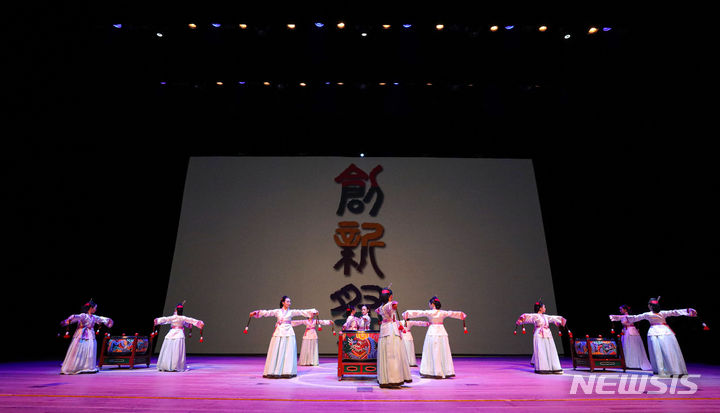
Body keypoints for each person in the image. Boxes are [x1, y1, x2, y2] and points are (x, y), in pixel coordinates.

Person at [610, 297, 697, 376]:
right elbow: (675, 312)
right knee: (667, 350)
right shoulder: (662, 313)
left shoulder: (649, 314)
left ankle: (662, 370)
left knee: (658, 352)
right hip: (665, 332)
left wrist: (615, 317)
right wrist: (688, 311)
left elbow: (634, 317)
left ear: (650, 306)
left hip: (655, 333)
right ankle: (670, 370)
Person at [250, 296, 318, 378]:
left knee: (288, 351)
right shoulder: (277, 311)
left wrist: (313, 311)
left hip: (288, 332)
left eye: (290, 302)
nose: (289, 303)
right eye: (287, 301)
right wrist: (256, 312)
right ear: (283, 302)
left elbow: (301, 312)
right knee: (277, 350)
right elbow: (268, 312)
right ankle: (274, 371)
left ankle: (287, 371)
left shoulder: (291, 312)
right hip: (279, 331)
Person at [403, 296, 466, 378]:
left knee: (433, 350)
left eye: (429, 303)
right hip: (441, 332)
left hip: (432, 332)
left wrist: (406, 313)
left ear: (432, 304)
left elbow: (419, 312)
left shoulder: (430, 313)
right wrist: (461, 315)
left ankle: (433, 371)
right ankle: (445, 371)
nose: (429, 305)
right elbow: (452, 313)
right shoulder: (443, 312)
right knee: (442, 350)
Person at [60, 299, 113, 374]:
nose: (96, 309)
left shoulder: (93, 317)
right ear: (91, 308)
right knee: (79, 350)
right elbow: (77, 317)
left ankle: (88, 367)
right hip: (81, 335)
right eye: (95, 308)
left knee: (90, 350)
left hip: (91, 335)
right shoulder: (83, 315)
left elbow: (101, 318)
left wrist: (109, 321)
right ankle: (75, 367)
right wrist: (72, 317)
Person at [516, 299, 566, 374]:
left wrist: (561, 320)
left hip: (548, 334)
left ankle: (554, 367)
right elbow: (527, 316)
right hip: (539, 334)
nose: (545, 308)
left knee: (550, 350)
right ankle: (542, 368)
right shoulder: (535, 316)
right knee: (541, 351)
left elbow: (553, 318)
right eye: (544, 307)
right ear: (540, 308)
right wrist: (521, 319)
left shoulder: (546, 316)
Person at [375, 287, 412, 388]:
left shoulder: (380, 307)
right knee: (393, 354)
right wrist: (393, 303)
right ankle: (393, 379)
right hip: (391, 330)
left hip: (385, 329)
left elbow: (380, 311)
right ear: (390, 296)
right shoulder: (388, 305)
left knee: (385, 353)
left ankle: (385, 379)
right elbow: (392, 306)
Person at [154, 301, 205, 372]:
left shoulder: (172, 317)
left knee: (168, 350)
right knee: (177, 351)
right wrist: (199, 323)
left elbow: (165, 319)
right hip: (179, 334)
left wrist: (157, 320)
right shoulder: (183, 318)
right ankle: (176, 366)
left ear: (176, 310)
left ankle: (167, 365)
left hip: (171, 334)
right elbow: (191, 320)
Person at [609, 304, 652, 370]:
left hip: (630, 331)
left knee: (631, 346)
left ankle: (633, 363)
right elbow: (619, 317)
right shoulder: (624, 316)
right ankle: (626, 363)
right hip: (626, 332)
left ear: (625, 309)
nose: (620, 310)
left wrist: (613, 317)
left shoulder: (629, 316)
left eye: (621, 309)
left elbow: (619, 317)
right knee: (626, 346)